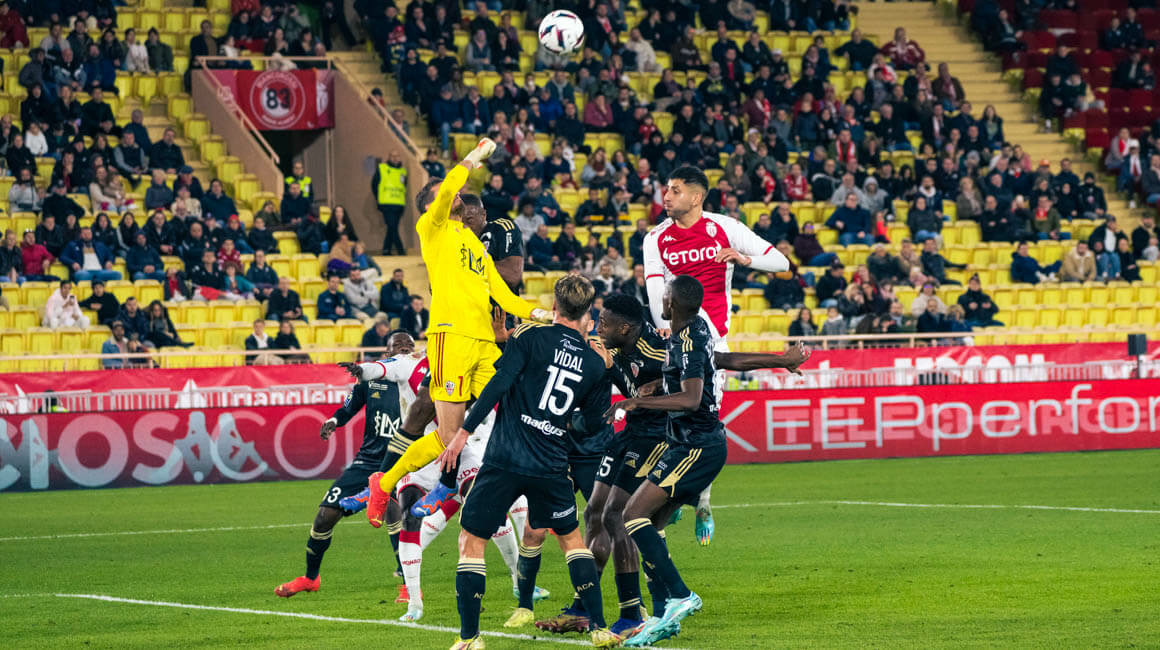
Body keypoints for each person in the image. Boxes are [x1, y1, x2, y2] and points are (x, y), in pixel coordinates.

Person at [362, 138, 550, 530]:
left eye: (461, 193)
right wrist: (472, 158)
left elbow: (503, 295)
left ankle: (530, 486)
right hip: (452, 340)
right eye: (449, 194)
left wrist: (543, 314)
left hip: (484, 343)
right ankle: (386, 482)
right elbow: (449, 188)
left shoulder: (473, 243)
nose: (459, 195)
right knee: (449, 435)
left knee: (520, 402)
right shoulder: (431, 229)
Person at [430, 275, 619, 649]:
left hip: (505, 458)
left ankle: (469, 638)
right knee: (572, 541)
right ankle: (599, 628)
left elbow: (500, 383)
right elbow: (593, 422)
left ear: (555, 306)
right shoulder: (594, 362)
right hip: (551, 463)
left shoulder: (529, 336)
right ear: (588, 311)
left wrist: (464, 432)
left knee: (472, 540)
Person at [274, 333, 422, 598]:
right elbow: (348, 409)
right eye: (398, 345)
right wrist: (333, 420)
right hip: (367, 461)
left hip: (402, 460)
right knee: (325, 516)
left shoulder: (421, 380)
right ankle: (310, 578)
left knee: (394, 512)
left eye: (408, 345)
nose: (404, 348)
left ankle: (408, 586)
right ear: (386, 352)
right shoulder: (371, 380)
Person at [374, 151, 408, 254]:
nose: (395, 158)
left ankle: (386, 250)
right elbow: (374, 185)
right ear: (389, 157)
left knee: (392, 228)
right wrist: (379, 199)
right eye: (393, 156)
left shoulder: (403, 171)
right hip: (386, 204)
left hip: (399, 204)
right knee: (392, 227)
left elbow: (404, 186)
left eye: (397, 156)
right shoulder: (382, 168)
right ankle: (400, 250)